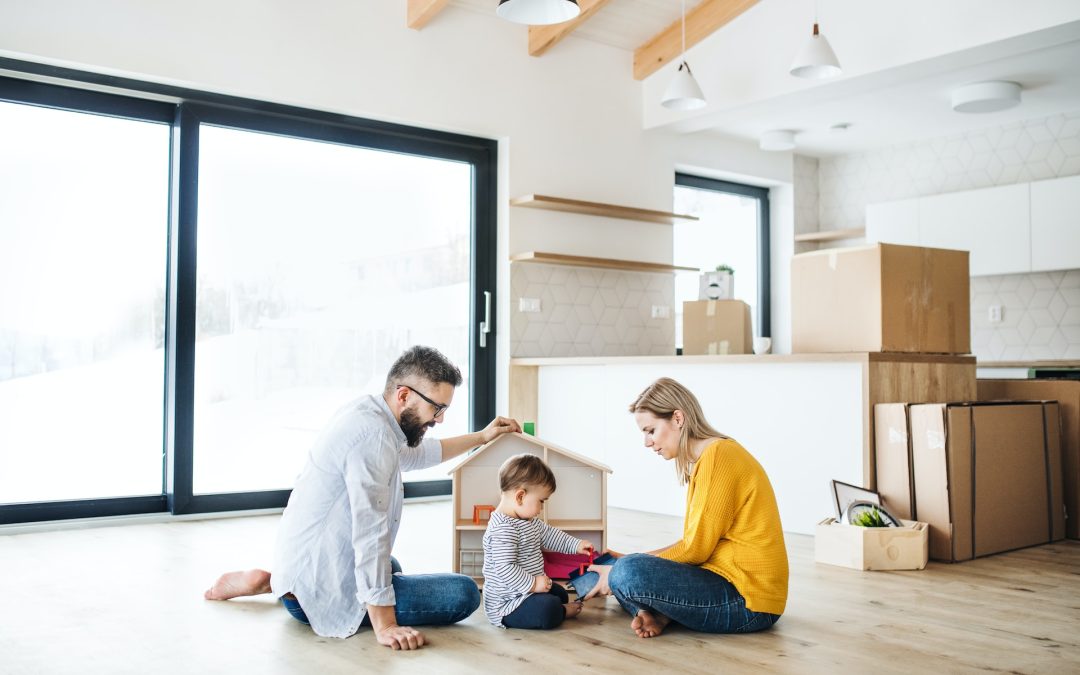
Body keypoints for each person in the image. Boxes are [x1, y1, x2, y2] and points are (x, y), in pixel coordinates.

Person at [204, 345, 521, 650]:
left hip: (302, 565)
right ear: (404, 395)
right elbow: (370, 531)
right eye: (436, 409)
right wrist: (384, 624)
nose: (439, 419)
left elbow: (417, 455)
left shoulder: (371, 413)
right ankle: (296, 595)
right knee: (464, 593)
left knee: (390, 566)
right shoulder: (374, 437)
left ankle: (279, 584)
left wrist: (481, 436)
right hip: (316, 586)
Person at [583, 377, 788, 639]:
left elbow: (695, 550)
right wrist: (626, 559)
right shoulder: (707, 459)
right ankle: (656, 614)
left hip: (749, 601)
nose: (647, 442)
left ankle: (652, 608)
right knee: (624, 566)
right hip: (722, 581)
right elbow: (691, 543)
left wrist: (622, 568)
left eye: (651, 430)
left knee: (625, 573)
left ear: (677, 419)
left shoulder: (719, 456)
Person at [481, 454, 593, 630]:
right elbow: (505, 568)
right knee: (548, 610)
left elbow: (551, 535)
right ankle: (560, 612)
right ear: (520, 496)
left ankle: (557, 606)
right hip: (508, 604)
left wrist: (576, 545)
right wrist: (533, 584)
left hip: (528, 590)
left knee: (560, 594)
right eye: (541, 501)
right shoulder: (503, 529)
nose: (541, 508)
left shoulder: (528, 521)